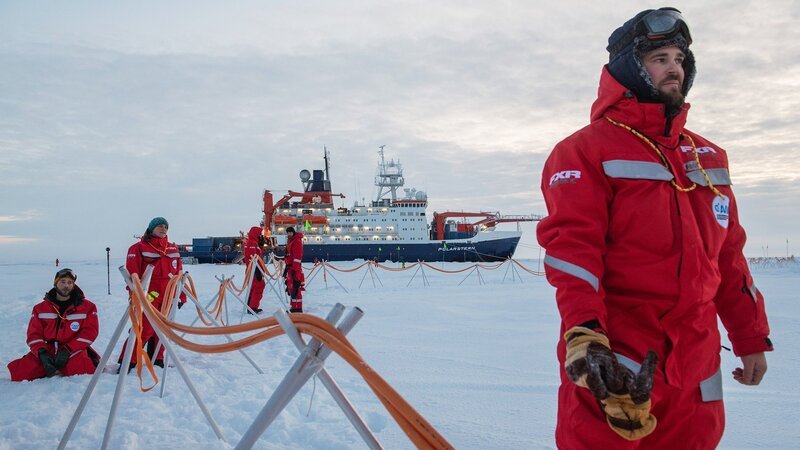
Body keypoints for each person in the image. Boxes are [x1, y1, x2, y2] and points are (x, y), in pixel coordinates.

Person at [536, 8, 773, 449]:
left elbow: (728, 259)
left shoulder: (708, 158)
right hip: (618, 361)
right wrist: (586, 336)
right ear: (630, 67)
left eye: (679, 59)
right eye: (659, 58)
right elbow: (574, 254)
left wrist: (749, 335)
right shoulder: (583, 152)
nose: (674, 69)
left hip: (698, 366)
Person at [7, 269, 100, 381]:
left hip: (73, 349)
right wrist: (41, 352)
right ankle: (49, 364)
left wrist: (68, 349)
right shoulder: (40, 308)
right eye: (63, 282)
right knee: (20, 373)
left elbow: (90, 332)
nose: (66, 286)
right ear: (56, 283)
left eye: (70, 282)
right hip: (48, 348)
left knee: (82, 369)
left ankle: (85, 360)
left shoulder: (88, 307)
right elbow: (34, 335)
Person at [119, 217, 185, 369]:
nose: (163, 229)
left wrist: (180, 296)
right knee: (144, 327)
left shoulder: (172, 249)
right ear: (151, 228)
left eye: (165, 226)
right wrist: (135, 294)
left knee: (163, 328)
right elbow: (132, 274)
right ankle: (128, 359)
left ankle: (157, 357)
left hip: (168, 295)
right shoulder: (138, 248)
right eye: (160, 226)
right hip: (148, 294)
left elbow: (179, 274)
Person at [243, 226, 266, 314]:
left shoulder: (253, 243)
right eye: (260, 234)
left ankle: (250, 306)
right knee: (259, 287)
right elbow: (251, 258)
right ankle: (253, 307)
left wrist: (261, 245)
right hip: (254, 269)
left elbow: (258, 255)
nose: (261, 235)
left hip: (254, 269)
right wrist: (257, 271)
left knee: (252, 288)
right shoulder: (251, 243)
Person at [283, 226, 305, 313]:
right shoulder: (290, 241)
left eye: (290, 232)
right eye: (287, 233)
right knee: (291, 288)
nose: (289, 234)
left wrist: (294, 269)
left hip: (294, 268)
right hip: (290, 267)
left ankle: (298, 308)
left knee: (296, 287)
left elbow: (297, 257)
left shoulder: (296, 242)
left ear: (293, 232)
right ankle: (293, 307)